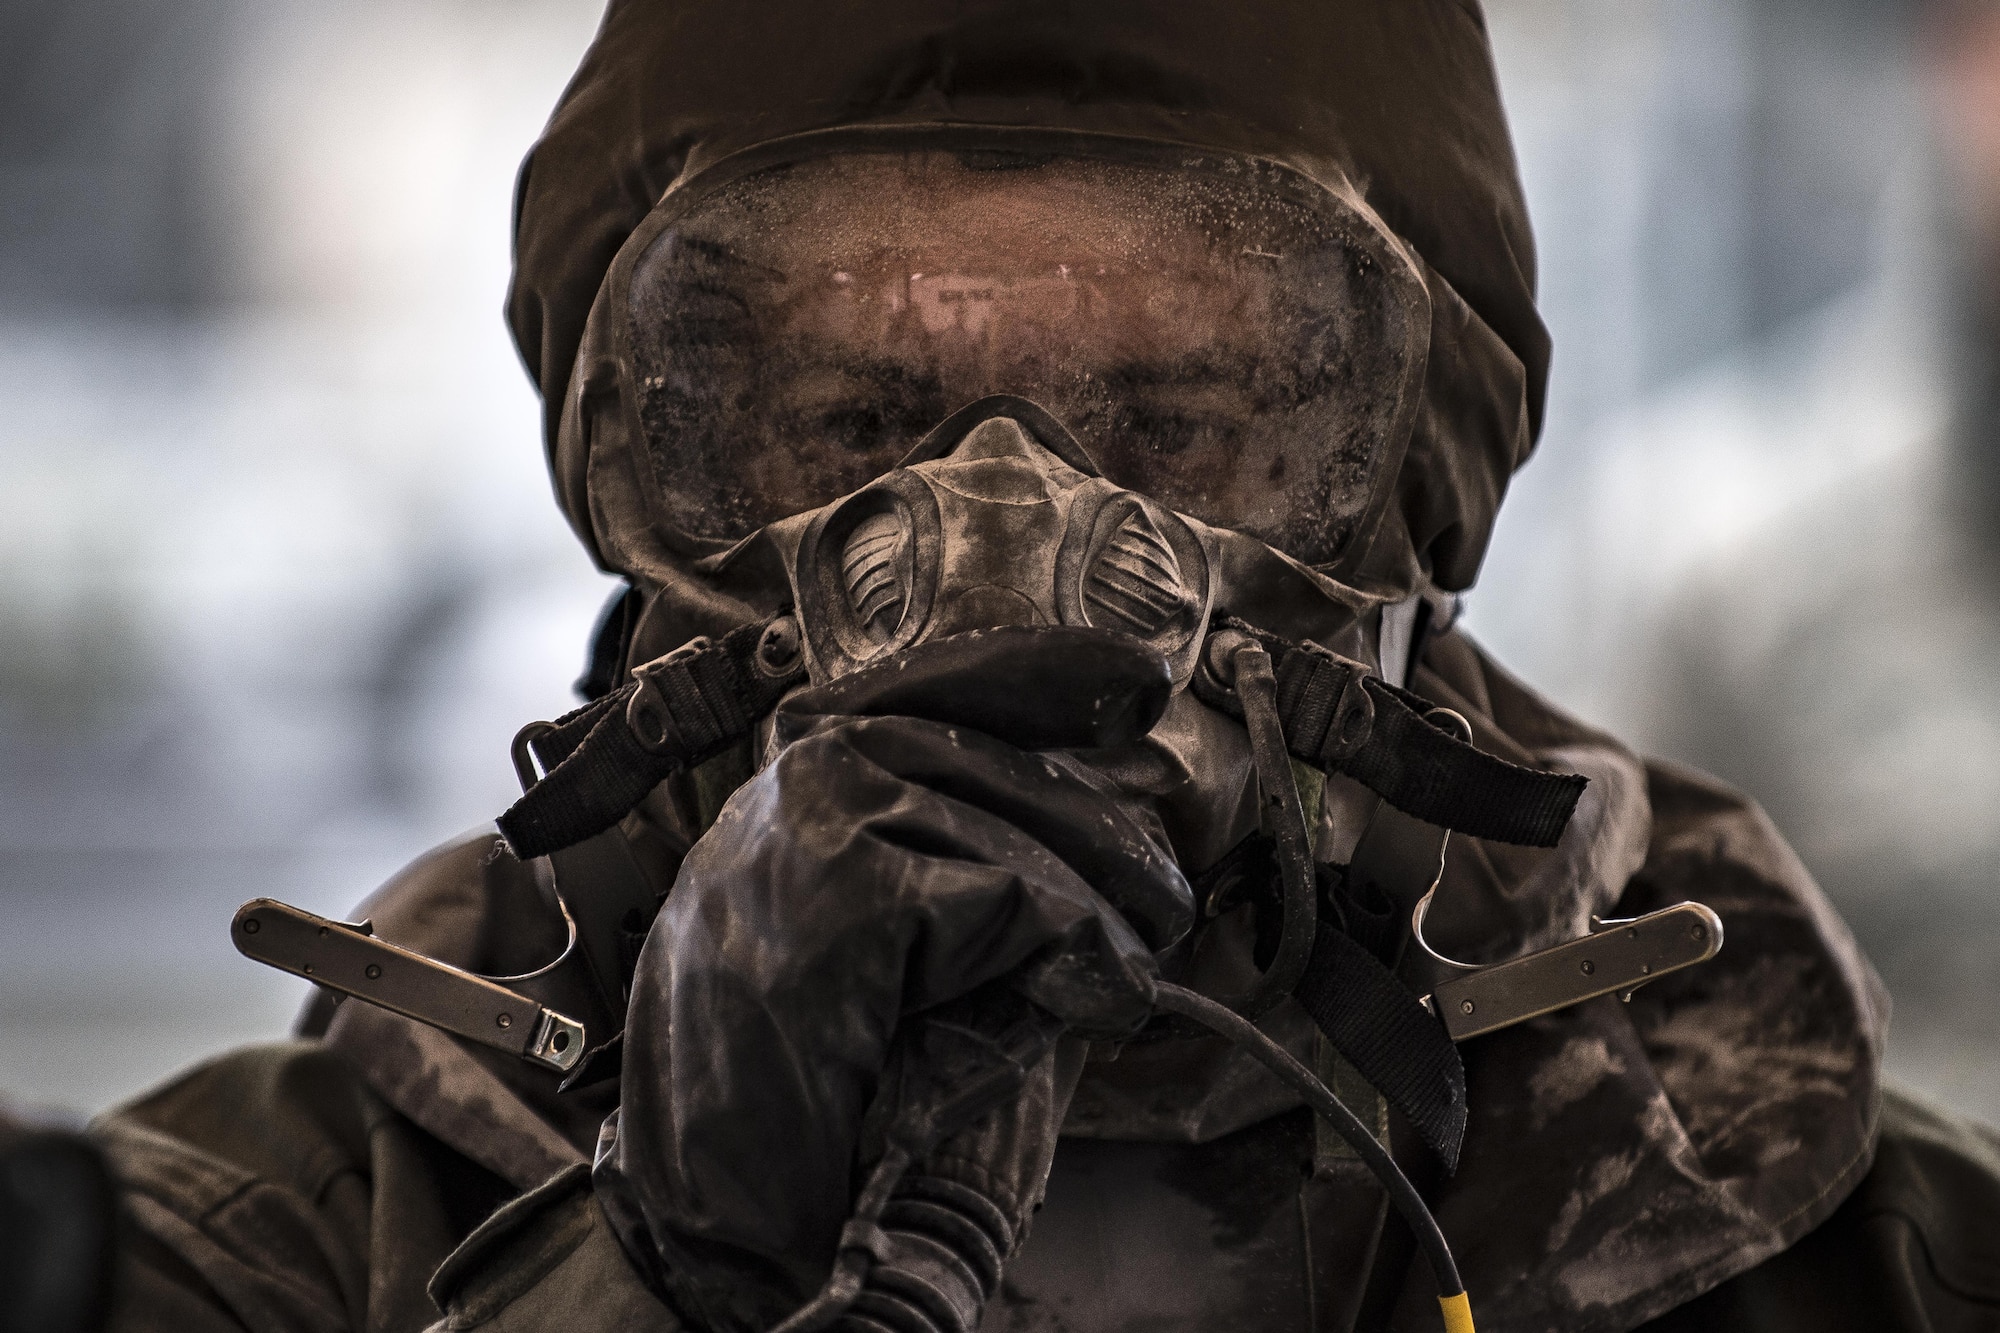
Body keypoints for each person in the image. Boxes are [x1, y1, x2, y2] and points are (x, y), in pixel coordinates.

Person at [87, 2, 2000, 1331]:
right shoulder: (254, 1249)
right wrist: (646, 1263)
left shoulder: (1869, 1266)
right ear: (627, 463)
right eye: (851, 423)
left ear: (1426, 478)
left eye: (1175, 420)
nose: (1011, 559)